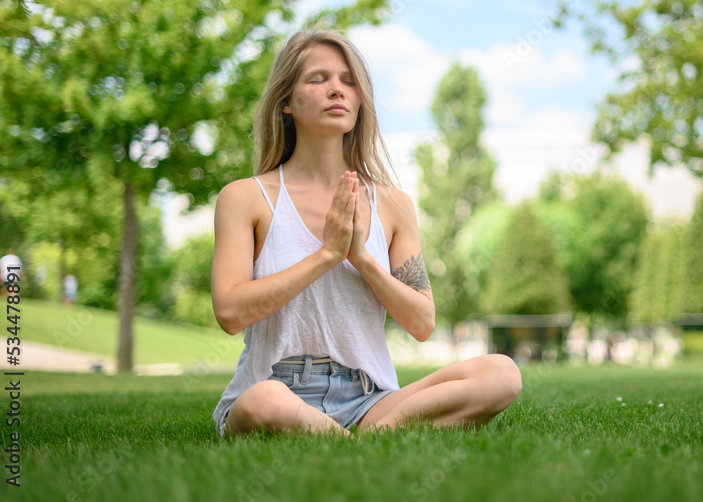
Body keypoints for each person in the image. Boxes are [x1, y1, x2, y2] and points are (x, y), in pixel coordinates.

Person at [210, 28, 522, 439]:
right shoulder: (245, 198)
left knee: (502, 373)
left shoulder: (392, 204)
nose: (337, 90)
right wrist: (326, 255)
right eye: (318, 79)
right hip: (276, 389)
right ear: (285, 102)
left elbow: (422, 322)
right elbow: (230, 313)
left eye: (348, 81)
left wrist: (362, 259)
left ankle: (354, 438)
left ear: (360, 100)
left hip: (370, 397)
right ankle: (369, 441)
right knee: (265, 401)